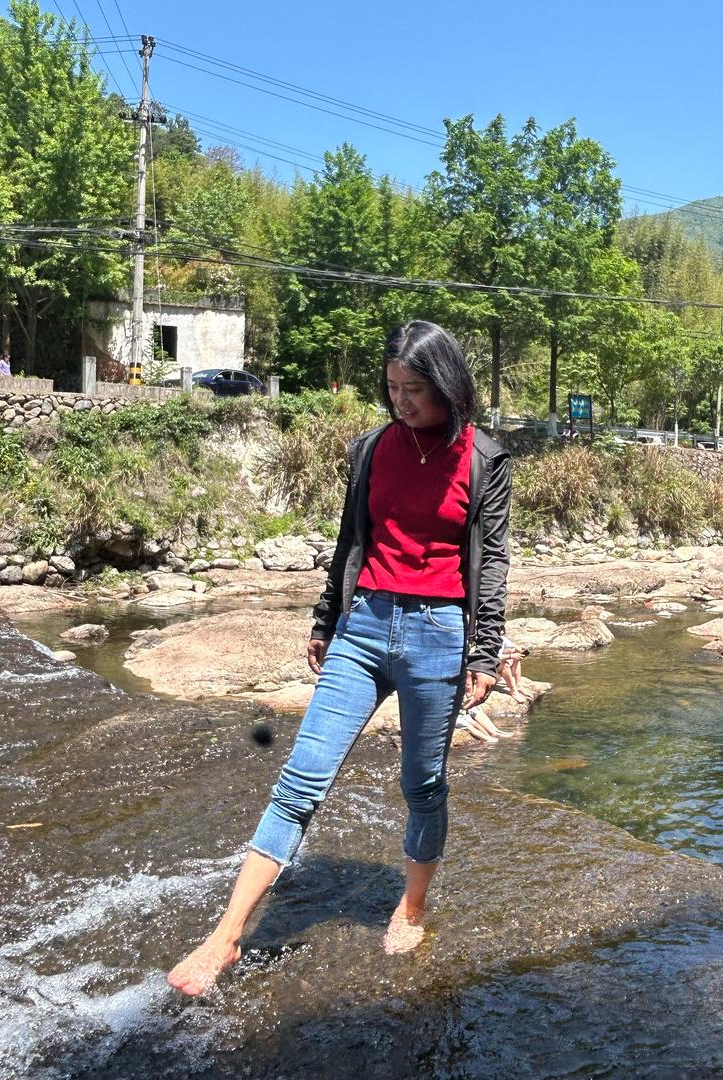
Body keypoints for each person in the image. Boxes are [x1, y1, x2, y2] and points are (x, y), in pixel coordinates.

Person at [168, 321, 512, 995]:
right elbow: (350, 538)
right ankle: (227, 935)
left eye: (415, 389)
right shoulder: (372, 448)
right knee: (300, 781)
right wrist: (326, 616)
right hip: (363, 627)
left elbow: (491, 559)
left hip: (440, 635)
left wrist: (485, 651)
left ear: (449, 386)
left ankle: (411, 904)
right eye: (391, 388)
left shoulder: (484, 459)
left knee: (422, 786)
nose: (401, 402)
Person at [497, 635, 529, 703]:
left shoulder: (502, 638)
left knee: (516, 656)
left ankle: (518, 685)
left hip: (497, 667)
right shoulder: (494, 639)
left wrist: (516, 652)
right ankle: (513, 691)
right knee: (504, 664)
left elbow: (517, 647)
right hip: (488, 669)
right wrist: (511, 655)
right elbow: (495, 658)